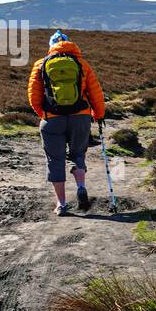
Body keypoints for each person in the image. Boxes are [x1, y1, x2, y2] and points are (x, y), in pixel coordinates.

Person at [28, 31, 106, 215]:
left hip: (52, 120)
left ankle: (61, 204)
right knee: (78, 154)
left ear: (50, 46)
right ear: (70, 44)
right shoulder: (82, 64)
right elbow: (96, 92)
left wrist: (45, 114)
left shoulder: (41, 65)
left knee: (55, 160)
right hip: (80, 118)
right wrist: (98, 114)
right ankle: (80, 186)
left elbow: (33, 97)